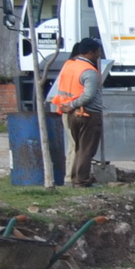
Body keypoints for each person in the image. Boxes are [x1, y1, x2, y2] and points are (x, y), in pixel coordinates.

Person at [47, 38, 105, 187]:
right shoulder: (89, 71)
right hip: (86, 113)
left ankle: (72, 178)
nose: (99, 54)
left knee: (78, 147)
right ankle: (81, 180)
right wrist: (73, 105)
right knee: (86, 149)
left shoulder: (69, 65)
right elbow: (88, 95)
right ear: (90, 52)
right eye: (98, 51)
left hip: (68, 112)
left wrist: (67, 105)